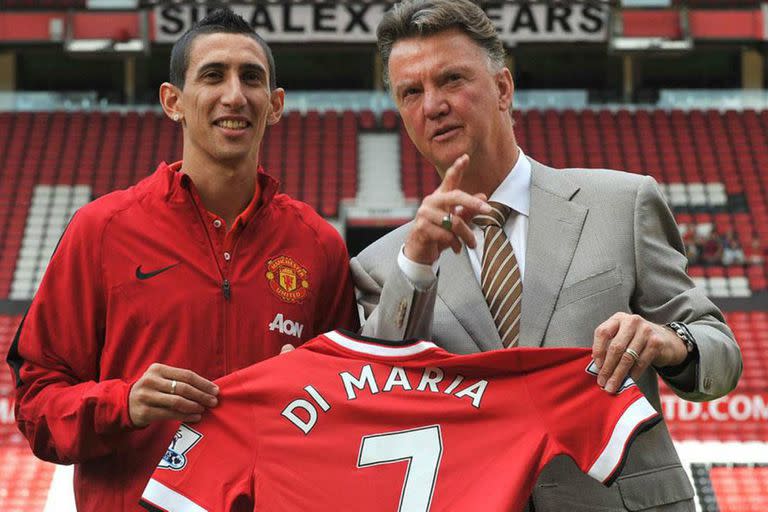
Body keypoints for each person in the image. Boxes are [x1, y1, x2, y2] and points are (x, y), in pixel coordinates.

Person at [350, 1, 742, 510]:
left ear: (503, 89)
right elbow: (376, 401)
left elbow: (721, 352)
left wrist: (670, 341)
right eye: (411, 92)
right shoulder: (385, 265)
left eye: (451, 80)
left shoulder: (622, 204)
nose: (433, 104)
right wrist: (416, 266)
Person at [6, 9, 358, 512]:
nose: (234, 95)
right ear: (173, 101)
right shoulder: (102, 231)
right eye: (213, 75)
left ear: (275, 105)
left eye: (251, 78)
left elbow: (345, 412)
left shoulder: (319, 246)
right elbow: (35, 403)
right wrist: (122, 405)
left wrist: (315, 390)